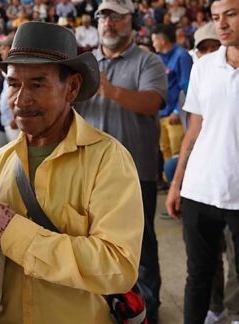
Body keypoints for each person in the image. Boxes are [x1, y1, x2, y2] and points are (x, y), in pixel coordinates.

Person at [0, 21, 144, 323]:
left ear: (71, 87)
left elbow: (119, 267)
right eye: (13, 84)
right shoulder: (1, 161)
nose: (20, 100)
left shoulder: (108, 160)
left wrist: (12, 232)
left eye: (37, 84)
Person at [75, 0, 168, 322]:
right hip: (87, 171)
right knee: (91, 240)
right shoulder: (85, 63)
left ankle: (147, 310)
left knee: (140, 244)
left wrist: (110, 90)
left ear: (131, 21)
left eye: (116, 17)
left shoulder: (148, 61)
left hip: (135, 171)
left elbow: (152, 102)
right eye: (103, 16)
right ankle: (105, 306)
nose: (108, 23)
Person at [165, 0, 239, 323]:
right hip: (199, 189)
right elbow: (193, 129)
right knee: (198, 278)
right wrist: (177, 184)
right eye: (215, 17)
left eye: (231, 15)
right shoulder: (204, 67)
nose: (221, 24)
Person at [151, 24, 192, 162]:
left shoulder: (182, 56)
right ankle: (169, 183)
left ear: (162, 40)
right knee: (165, 151)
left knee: (178, 153)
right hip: (161, 114)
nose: (153, 44)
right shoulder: (158, 58)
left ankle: (180, 183)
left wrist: (177, 110)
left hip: (176, 115)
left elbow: (187, 87)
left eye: (154, 40)